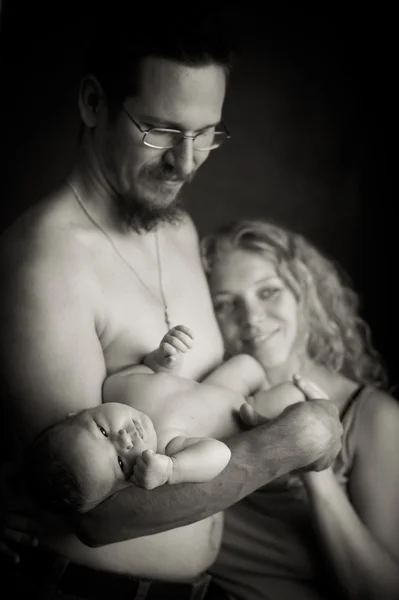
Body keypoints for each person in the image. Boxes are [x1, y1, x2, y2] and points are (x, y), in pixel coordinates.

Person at [0, 8, 342, 600]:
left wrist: (284, 436)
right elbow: (96, 513)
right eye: (159, 130)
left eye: (207, 132)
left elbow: (204, 413)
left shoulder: (176, 228)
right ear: (92, 104)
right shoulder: (42, 262)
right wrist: (284, 445)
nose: (186, 163)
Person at [200, 219, 399, 600]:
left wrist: (309, 455)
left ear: (302, 292)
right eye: (225, 304)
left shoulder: (373, 416)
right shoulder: (206, 400)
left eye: (268, 292)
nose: (252, 317)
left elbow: (382, 592)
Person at [24, 325, 312, 515]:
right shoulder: (163, 448)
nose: (124, 440)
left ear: (77, 413)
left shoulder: (115, 386)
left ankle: (269, 377)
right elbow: (220, 454)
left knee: (247, 364)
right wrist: (173, 469)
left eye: (101, 430)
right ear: (126, 485)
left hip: (218, 386)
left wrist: (165, 358)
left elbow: (152, 372)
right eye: (121, 463)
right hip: (244, 415)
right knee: (292, 396)